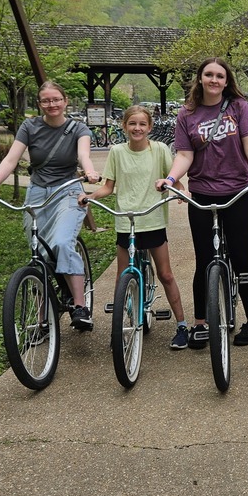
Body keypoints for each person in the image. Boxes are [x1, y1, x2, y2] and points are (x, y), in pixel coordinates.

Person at [155, 57, 248, 348]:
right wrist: (170, 179)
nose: (214, 80)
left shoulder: (239, 107)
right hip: (202, 194)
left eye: (219, 76)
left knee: (242, 260)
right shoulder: (187, 113)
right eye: (208, 74)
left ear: (226, 81)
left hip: (237, 192)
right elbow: (184, 155)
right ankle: (201, 323)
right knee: (204, 261)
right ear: (200, 78)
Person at [0, 80, 99, 330]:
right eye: (46, 100)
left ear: (65, 101)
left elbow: (83, 155)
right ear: (40, 103)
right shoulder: (29, 127)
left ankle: (79, 306)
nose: (52, 104)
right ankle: (42, 316)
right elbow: (11, 159)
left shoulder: (78, 128)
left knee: (62, 242)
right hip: (37, 193)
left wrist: (90, 171)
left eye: (56, 99)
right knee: (39, 254)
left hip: (67, 190)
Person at [79, 105, 189, 350]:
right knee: (122, 276)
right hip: (126, 221)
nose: (137, 128)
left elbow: (174, 179)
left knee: (166, 274)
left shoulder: (159, 149)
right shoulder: (117, 152)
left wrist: (181, 191)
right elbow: (108, 187)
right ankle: (119, 327)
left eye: (142, 124)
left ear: (149, 127)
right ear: (124, 126)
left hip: (153, 220)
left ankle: (182, 325)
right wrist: (91, 197)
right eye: (132, 124)